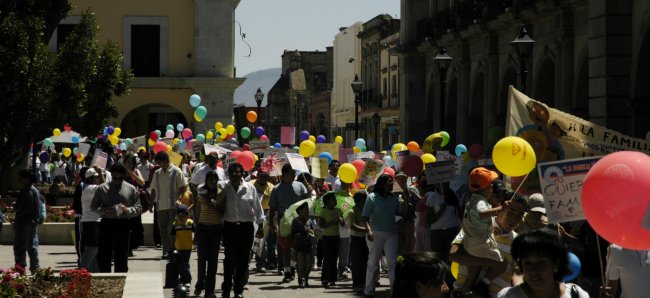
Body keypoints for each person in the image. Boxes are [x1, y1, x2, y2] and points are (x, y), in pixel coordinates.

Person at [450, 194, 528, 297]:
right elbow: (453, 254)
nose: (514, 218)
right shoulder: (476, 225)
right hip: (462, 294)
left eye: (519, 215)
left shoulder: (519, 243)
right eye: (511, 212)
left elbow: (519, 273)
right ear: (501, 207)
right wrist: (492, 263)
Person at [497, 228, 589, 298]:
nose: (533, 271)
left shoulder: (576, 295)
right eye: (528, 263)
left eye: (541, 262)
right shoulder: (507, 296)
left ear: (556, 264)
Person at [220, 162, 265, 298]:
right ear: (229, 174)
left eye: (238, 172)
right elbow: (201, 188)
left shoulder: (249, 188)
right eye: (233, 172)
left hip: (246, 228)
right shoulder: (223, 187)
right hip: (229, 228)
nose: (235, 174)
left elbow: (258, 208)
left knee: (243, 260)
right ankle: (226, 289)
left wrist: (261, 226)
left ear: (242, 174)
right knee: (229, 260)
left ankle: (238, 290)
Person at [459, 167, 508, 294]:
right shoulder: (479, 201)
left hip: (472, 242)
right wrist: (501, 209)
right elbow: (481, 214)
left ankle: (466, 291)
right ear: (489, 189)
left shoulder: (473, 199)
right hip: (479, 243)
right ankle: (483, 284)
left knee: (474, 270)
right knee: (502, 263)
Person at [91, 163, 142, 272]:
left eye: (120, 178)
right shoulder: (102, 188)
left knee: (122, 255)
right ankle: (105, 278)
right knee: (104, 255)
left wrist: (128, 210)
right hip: (106, 224)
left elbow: (138, 208)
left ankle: (121, 276)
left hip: (123, 224)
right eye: (115, 178)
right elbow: (93, 207)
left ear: (124, 176)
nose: (117, 181)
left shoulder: (131, 189)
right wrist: (104, 211)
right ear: (111, 175)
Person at [268, 163, 310, 283]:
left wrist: (309, 192)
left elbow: (306, 203)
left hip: (298, 220)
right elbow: (272, 208)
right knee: (286, 248)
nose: (293, 175)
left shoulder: (301, 185)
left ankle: (292, 268)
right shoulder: (276, 189)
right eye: (291, 173)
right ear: (284, 174)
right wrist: (272, 224)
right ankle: (287, 271)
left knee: (296, 248)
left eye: (294, 173)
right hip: (284, 220)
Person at [363, 174, 401, 297]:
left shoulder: (394, 198)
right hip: (376, 233)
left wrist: (405, 196)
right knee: (373, 262)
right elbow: (365, 217)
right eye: (391, 181)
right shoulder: (372, 197)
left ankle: (394, 292)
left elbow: (402, 213)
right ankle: (368, 290)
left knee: (392, 263)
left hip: (391, 233)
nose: (393, 183)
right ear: (382, 184)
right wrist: (369, 230)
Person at [150, 151, 188, 259]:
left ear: (166, 160)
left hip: (173, 205)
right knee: (162, 230)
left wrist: (180, 199)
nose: (159, 164)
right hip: (160, 205)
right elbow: (153, 189)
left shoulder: (176, 171)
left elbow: (183, 187)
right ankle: (166, 250)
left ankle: (173, 249)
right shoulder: (157, 173)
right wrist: (151, 203)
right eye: (157, 162)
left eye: (160, 162)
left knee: (171, 229)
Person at [194, 171, 226, 298]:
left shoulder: (221, 193)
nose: (213, 183)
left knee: (213, 261)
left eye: (215, 180)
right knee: (202, 259)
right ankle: (200, 283)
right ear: (206, 180)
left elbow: (221, 213)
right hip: (202, 228)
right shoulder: (201, 190)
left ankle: (210, 291)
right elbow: (198, 208)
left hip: (215, 229)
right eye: (210, 180)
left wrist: (212, 201)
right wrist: (195, 228)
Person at [426, 182, 461, 262]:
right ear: (437, 184)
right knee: (438, 259)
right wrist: (441, 211)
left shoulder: (453, 195)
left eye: (446, 183)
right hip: (437, 232)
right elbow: (429, 220)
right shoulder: (432, 197)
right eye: (442, 183)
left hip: (452, 230)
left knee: (451, 258)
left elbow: (459, 214)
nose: (445, 185)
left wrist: (456, 204)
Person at [13, 170, 41, 271]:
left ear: (27, 179)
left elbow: (18, 208)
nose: (19, 181)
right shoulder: (36, 191)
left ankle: (20, 268)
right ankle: (35, 267)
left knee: (20, 246)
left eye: (21, 178)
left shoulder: (25, 192)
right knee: (32, 245)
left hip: (23, 222)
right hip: (33, 222)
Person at [250, 168, 275, 273]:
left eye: (265, 176)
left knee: (262, 241)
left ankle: (261, 264)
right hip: (252, 215)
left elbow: (273, 203)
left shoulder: (271, 187)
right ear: (257, 175)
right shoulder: (250, 185)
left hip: (266, 214)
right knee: (251, 240)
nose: (263, 178)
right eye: (261, 176)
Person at [79, 167, 104, 272]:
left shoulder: (86, 187)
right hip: (92, 223)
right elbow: (105, 186)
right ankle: (81, 272)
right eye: (96, 177)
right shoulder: (92, 188)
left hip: (88, 222)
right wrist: (101, 173)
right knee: (92, 249)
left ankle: (94, 273)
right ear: (92, 178)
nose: (98, 179)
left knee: (94, 251)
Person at [318, 192, 343, 288]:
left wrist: (341, 220)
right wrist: (333, 221)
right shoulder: (323, 211)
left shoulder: (338, 210)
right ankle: (325, 279)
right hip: (327, 237)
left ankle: (333, 279)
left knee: (334, 258)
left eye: (335, 199)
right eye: (333, 199)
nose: (335, 201)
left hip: (336, 236)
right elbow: (322, 225)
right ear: (327, 201)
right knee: (327, 258)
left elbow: (343, 224)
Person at [124, 153, 145, 256]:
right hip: (123, 202)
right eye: (127, 162)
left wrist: (133, 174)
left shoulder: (136, 171)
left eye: (131, 163)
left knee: (135, 226)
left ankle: (131, 246)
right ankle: (126, 248)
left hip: (134, 202)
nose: (129, 165)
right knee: (125, 227)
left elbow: (142, 183)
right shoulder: (121, 172)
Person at [292, 201, 316, 288]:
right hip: (299, 245)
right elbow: (293, 233)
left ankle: (306, 277)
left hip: (308, 245)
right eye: (306, 209)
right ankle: (301, 279)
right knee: (301, 263)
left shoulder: (309, 220)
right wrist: (302, 231)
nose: (307, 211)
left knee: (308, 264)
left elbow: (313, 232)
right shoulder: (295, 221)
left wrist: (311, 231)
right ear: (300, 211)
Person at [395, 172, 420, 254]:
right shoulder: (393, 192)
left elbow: (421, 203)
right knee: (399, 246)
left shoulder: (412, 189)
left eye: (404, 178)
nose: (402, 180)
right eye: (400, 178)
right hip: (397, 223)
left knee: (410, 245)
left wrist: (412, 194)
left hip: (409, 221)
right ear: (396, 179)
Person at [350, 190, 369, 294]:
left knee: (366, 262)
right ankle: (357, 285)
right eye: (365, 198)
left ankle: (366, 284)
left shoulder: (367, 210)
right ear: (360, 200)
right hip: (356, 239)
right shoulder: (352, 211)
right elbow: (352, 226)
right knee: (357, 263)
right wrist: (366, 230)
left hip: (366, 239)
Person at [172, 205, 195, 287]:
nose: (182, 218)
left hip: (187, 247)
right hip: (178, 247)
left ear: (187, 215)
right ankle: (182, 278)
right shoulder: (175, 224)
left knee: (184, 264)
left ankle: (187, 279)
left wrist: (195, 241)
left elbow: (196, 232)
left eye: (184, 216)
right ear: (177, 216)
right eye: (180, 216)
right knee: (180, 264)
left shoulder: (190, 223)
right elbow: (172, 234)